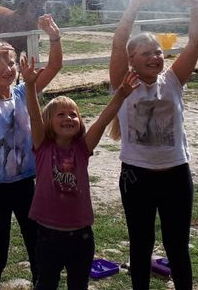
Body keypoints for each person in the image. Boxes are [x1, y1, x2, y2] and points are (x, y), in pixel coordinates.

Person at [108, 0, 198, 290]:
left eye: (158, 52)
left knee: (178, 247)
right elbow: (119, 39)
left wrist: (196, 4)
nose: (155, 57)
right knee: (140, 246)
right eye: (146, 53)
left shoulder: (173, 80)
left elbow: (196, 43)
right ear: (132, 59)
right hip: (137, 176)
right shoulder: (123, 83)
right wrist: (134, 4)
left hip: (176, 172)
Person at [22, 54, 136, 290]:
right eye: (60, 114)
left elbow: (103, 120)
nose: (68, 118)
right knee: (46, 284)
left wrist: (121, 94)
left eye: (73, 114)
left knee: (79, 286)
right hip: (47, 235)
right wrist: (31, 85)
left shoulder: (82, 149)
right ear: (48, 122)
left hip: (81, 236)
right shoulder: (43, 146)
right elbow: (34, 114)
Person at [0, 14, 63, 289]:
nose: (9, 69)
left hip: (25, 183)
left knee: (36, 243)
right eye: (1, 64)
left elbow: (55, 66)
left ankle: (41, 284)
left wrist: (54, 37)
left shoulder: (25, 93)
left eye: (11, 62)